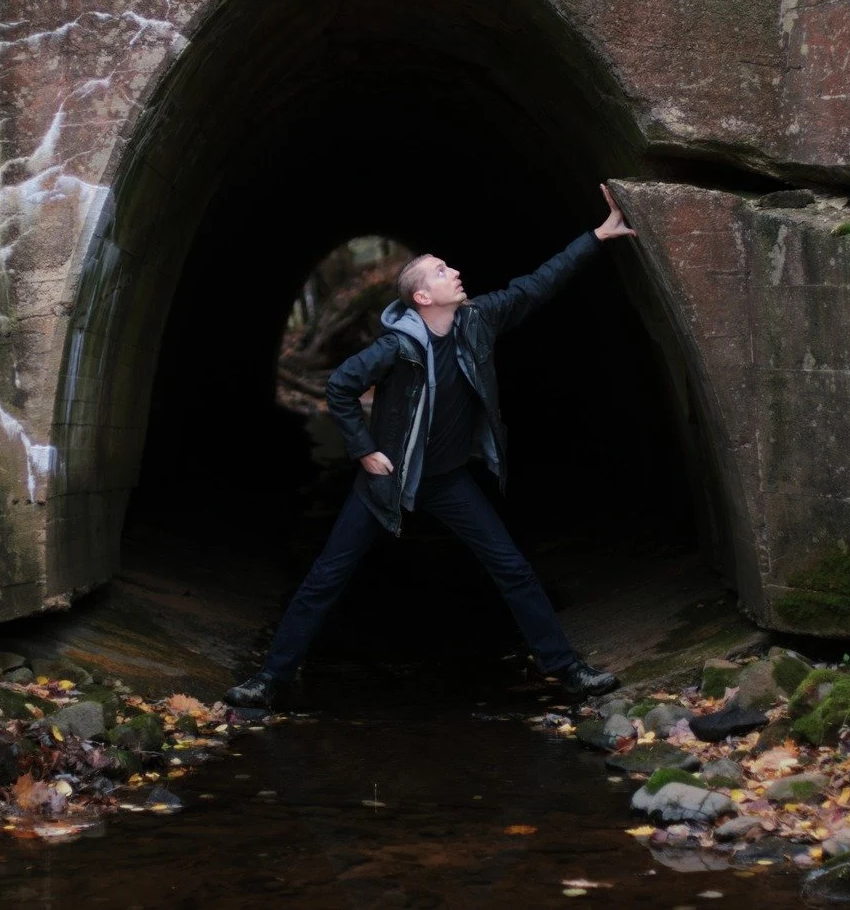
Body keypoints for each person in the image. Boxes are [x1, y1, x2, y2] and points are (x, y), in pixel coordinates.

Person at [223, 185, 636, 708]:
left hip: (447, 479)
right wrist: (363, 450)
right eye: (441, 271)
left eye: (448, 267)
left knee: (511, 568)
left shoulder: (478, 321)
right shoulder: (395, 347)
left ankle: (568, 669)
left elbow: (537, 285)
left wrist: (598, 236)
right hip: (387, 480)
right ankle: (270, 679)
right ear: (421, 297)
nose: (454, 272)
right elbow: (340, 387)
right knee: (327, 575)